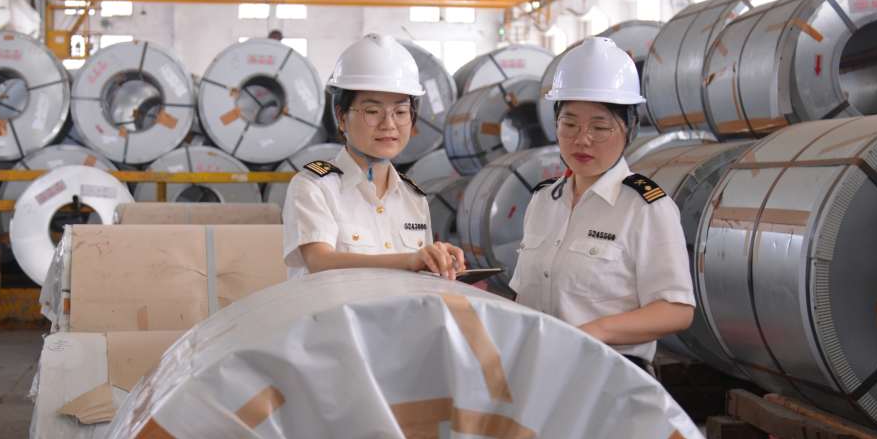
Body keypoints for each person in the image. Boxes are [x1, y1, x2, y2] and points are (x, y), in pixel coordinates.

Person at [509, 37, 694, 369]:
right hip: (542, 368)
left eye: (600, 127)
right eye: (569, 124)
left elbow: (676, 309)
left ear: (629, 128)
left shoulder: (646, 208)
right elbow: (524, 294)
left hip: (611, 373)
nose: (582, 139)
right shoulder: (543, 201)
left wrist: (596, 331)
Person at [282, 34, 466, 280]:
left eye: (400, 112)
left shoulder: (413, 199)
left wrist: (439, 262)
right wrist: (409, 260)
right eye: (372, 111)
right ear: (341, 117)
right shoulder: (314, 187)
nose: (388, 124)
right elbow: (320, 261)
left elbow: (420, 276)